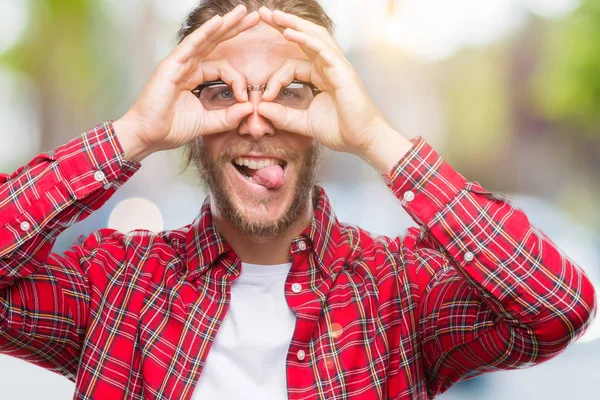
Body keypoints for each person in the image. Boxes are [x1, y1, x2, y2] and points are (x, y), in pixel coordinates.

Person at [0, 1, 595, 399]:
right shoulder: (115, 285)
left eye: (292, 91)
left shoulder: (400, 291)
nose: (256, 121)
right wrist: (131, 134)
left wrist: (378, 140)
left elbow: (558, 307)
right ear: (189, 124)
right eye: (218, 91)